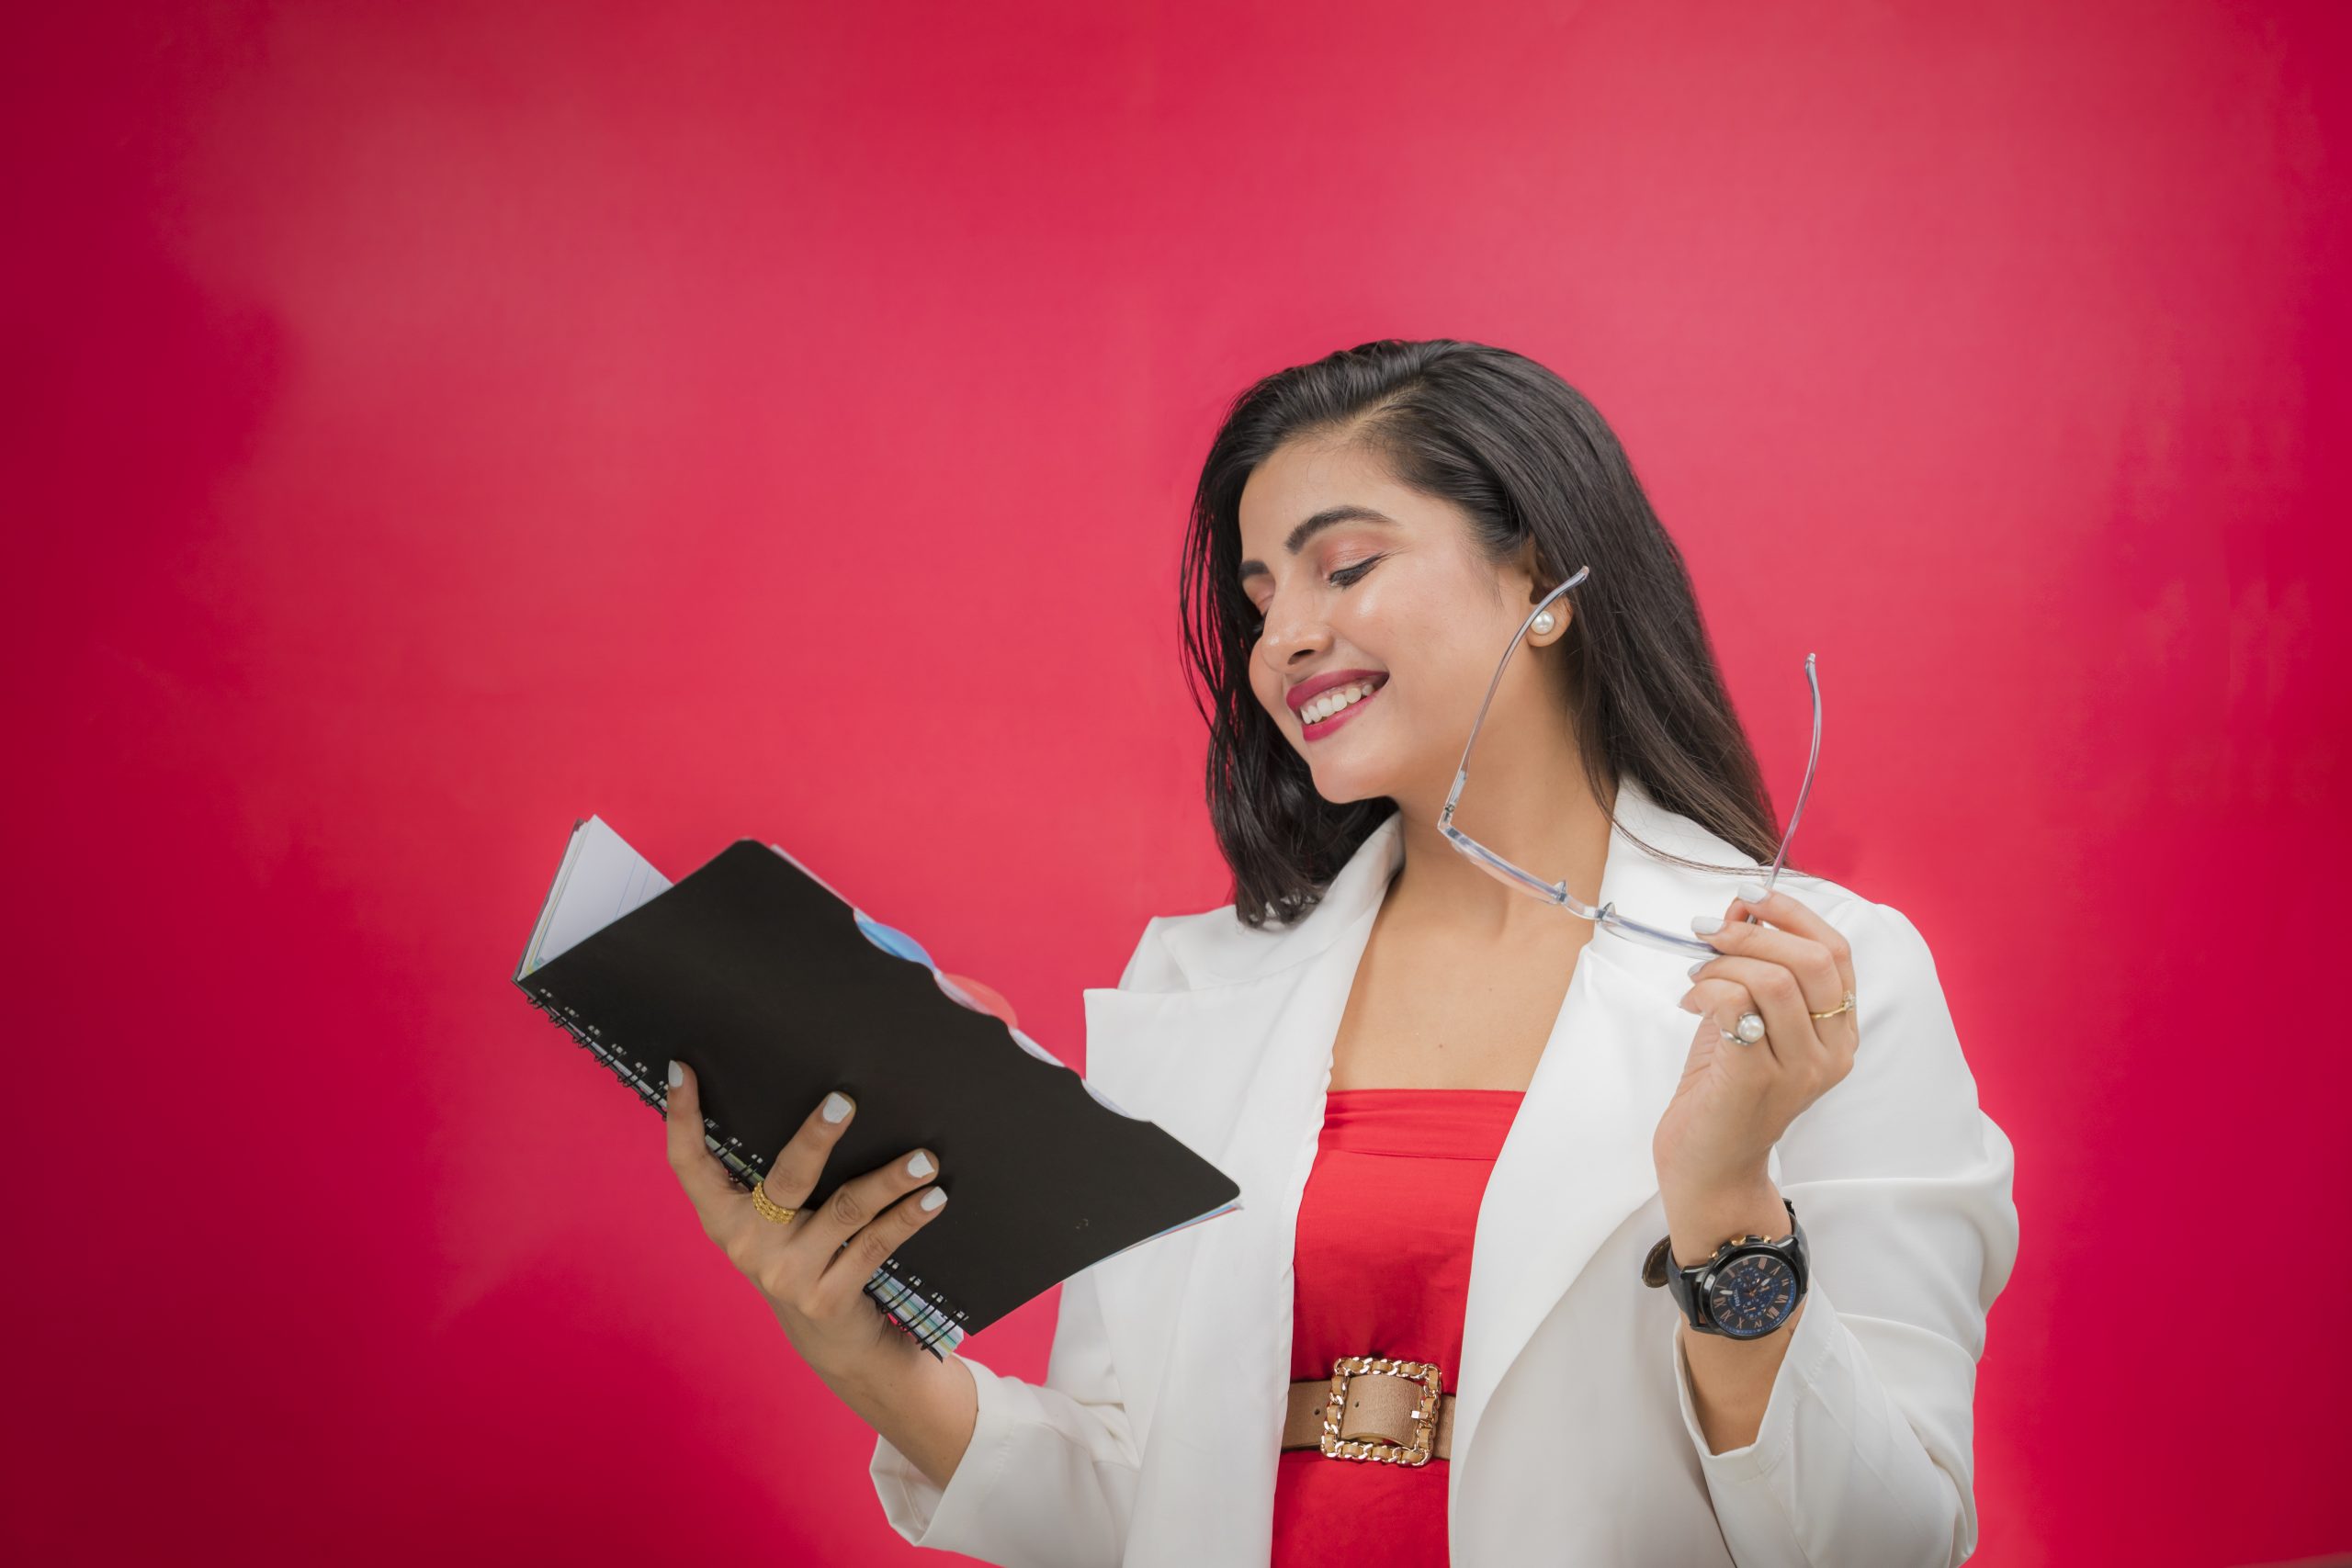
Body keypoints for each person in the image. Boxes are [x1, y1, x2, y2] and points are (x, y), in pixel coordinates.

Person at [662, 338, 2018, 1566]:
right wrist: (862, 1348)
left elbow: (1881, 1545)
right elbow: (1133, 1507)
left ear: (1544, 575)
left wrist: (1726, 1206)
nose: (1283, 639)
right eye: (1258, 600)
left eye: (1345, 565)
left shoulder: (1823, 981)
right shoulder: (1195, 991)